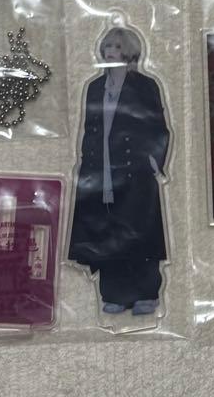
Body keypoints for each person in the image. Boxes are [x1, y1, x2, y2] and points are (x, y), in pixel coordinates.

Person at [68, 26, 171, 316]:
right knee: (106, 231)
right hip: (100, 171)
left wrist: (155, 163)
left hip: (135, 172)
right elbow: (90, 131)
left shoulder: (145, 86)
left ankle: (146, 293)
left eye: (116, 47)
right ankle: (114, 293)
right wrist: (85, 170)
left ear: (128, 52)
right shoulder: (94, 87)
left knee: (138, 230)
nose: (111, 52)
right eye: (108, 47)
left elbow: (158, 128)